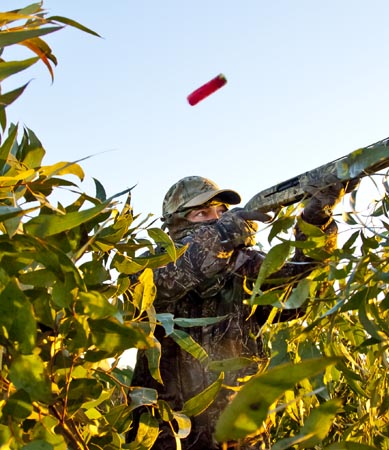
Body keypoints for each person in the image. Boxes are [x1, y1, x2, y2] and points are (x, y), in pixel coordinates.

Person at [130, 175, 350, 449]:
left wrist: (317, 223)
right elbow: (171, 277)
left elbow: (300, 295)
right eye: (203, 212)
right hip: (166, 436)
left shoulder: (242, 263)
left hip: (241, 436)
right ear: (176, 223)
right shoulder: (151, 266)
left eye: (222, 212)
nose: (217, 218)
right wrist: (225, 231)